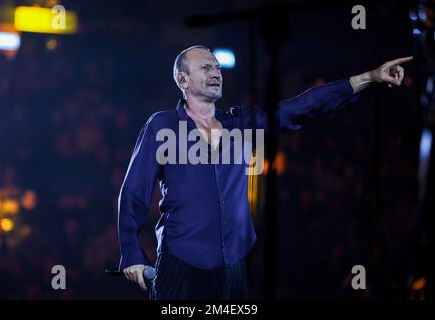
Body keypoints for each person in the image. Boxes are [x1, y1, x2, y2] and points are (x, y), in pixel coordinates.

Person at [118, 45, 412, 299]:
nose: (216, 72)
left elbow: (298, 108)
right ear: (182, 78)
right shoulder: (162, 125)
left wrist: (368, 77)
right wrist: (131, 253)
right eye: (206, 67)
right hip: (181, 264)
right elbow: (134, 190)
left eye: (218, 67)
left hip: (233, 265)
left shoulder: (241, 125)